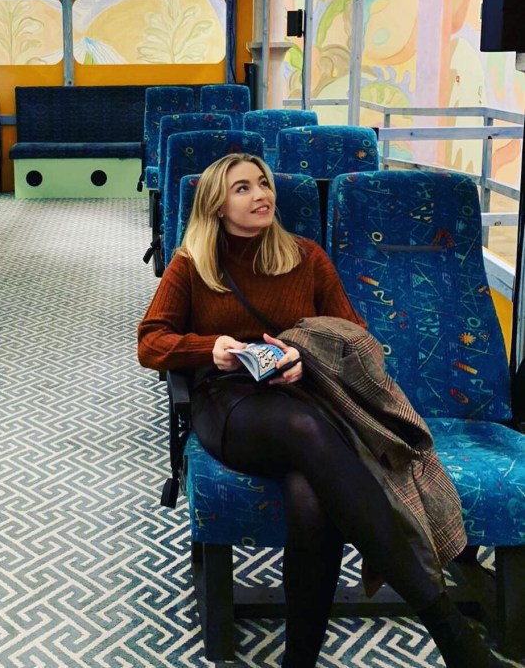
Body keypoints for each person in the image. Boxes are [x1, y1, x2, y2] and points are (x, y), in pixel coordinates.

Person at [137, 152, 491, 668]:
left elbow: (354, 339)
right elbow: (150, 342)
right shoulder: (192, 263)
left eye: (263, 183)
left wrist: (304, 358)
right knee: (306, 430)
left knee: (311, 499)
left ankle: (299, 660)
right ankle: (447, 628)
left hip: (302, 393)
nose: (261, 194)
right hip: (226, 401)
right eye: (242, 188)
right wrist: (210, 348)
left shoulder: (306, 257)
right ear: (215, 206)